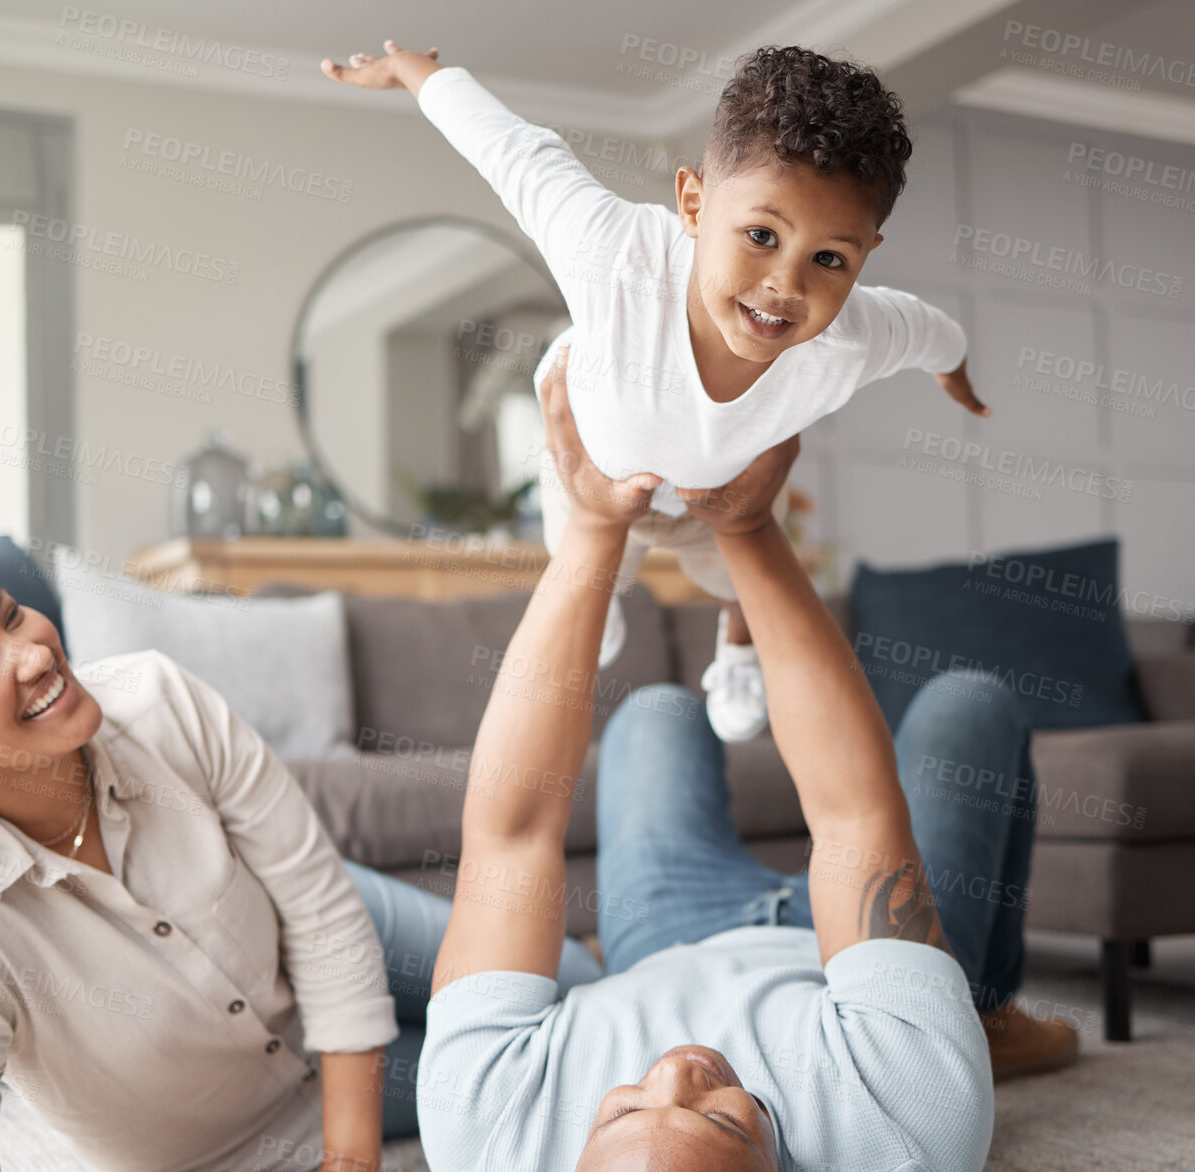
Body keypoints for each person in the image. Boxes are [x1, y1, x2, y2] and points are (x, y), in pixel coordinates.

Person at [412, 349, 1075, 1172]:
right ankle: (980, 1007)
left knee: (655, 715)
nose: (679, 1069)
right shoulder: (907, 1132)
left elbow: (511, 833)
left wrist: (594, 527)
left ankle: (955, 1014)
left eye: (624, 1108)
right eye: (727, 1120)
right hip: (854, 983)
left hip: (666, 935)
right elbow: (850, 818)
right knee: (969, 705)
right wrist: (747, 524)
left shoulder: (487, 1141)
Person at [0, 557, 600, 1172]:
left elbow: (318, 908)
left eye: (8, 614)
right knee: (556, 1058)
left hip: (312, 920)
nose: (34, 653)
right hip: (248, 1128)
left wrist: (351, 1160)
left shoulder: (156, 698)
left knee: (576, 978)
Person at [322, 40, 991, 743]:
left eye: (829, 259)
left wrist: (957, 379)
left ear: (864, 256)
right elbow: (511, 150)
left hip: (713, 496)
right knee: (586, 573)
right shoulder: (611, 253)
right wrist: (411, 71)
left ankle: (735, 650)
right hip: (592, 473)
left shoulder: (856, 335)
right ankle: (603, 590)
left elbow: (932, 333)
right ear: (693, 204)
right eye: (760, 234)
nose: (785, 287)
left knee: (747, 581)